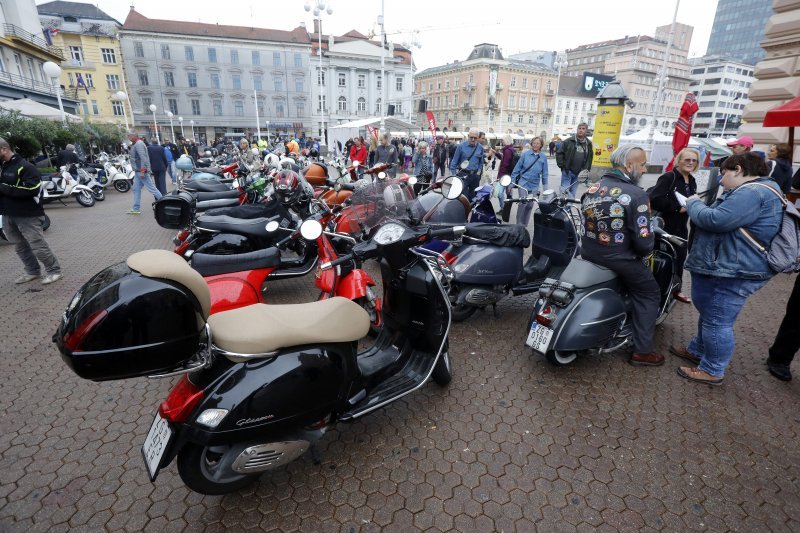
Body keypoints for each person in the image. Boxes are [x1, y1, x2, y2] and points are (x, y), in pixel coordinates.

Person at [673, 152, 782, 386]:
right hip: (728, 265)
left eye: (723, 174)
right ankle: (698, 349)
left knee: (717, 320)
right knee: (711, 313)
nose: (721, 180)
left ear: (739, 170)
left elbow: (715, 220)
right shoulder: (756, 190)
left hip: (733, 269)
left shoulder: (752, 193)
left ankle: (712, 369)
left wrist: (693, 204)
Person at [581, 145, 662, 367]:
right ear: (629, 165)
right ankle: (643, 351)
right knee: (649, 292)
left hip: (588, 253)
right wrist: (645, 248)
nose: (645, 170)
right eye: (643, 164)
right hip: (619, 258)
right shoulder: (637, 195)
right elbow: (645, 243)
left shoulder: (592, 188)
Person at [0, 137, 62, 285]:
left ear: (4, 149)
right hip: (8, 214)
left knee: (37, 245)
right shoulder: (4, 167)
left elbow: (32, 190)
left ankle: (54, 271)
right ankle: (32, 271)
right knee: (19, 246)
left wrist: (1, 186)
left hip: (28, 215)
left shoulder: (26, 166)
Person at [649, 147, 699, 304]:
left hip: (682, 227)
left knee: (680, 258)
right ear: (679, 161)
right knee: (663, 258)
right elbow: (655, 198)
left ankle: (675, 289)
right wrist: (677, 207)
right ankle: (656, 290)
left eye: (694, 160)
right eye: (687, 159)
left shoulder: (691, 180)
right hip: (664, 226)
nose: (690, 163)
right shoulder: (669, 177)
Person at [510, 136, 548, 227]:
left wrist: (545, 189)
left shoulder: (543, 157)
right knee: (523, 203)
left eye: (538, 143)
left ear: (541, 145)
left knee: (530, 205)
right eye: (534, 143)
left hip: (534, 185)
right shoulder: (525, 154)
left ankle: (524, 225)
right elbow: (516, 169)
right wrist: (511, 183)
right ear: (531, 144)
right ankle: (518, 225)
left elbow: (545, 173)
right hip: (523, 183)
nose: (535, 145)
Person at [127, 130, 162, 215]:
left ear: (133, 136)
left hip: (141, 171)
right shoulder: (137, 144)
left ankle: (166, 203)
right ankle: (136, 208)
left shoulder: (138, 144)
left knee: (152, 189)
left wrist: (143, 170)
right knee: (136, 189)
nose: (128, 137)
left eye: (128, 136)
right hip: (138, 171)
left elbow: (143, 158)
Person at [556, 123, 593, 199]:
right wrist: (562, 166)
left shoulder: (588, 143)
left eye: (583, 128)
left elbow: (590, 158)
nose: (581, 130)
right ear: (577, 129)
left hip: (579, 173)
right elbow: (559, 153)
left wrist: (587, 170)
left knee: (573, 192)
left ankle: (567, 209)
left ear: (586, 130)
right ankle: (563, 208)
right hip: (567, 171)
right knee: (565, 191)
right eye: (579, 128)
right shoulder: (568, 141)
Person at [449, 128, 485, 200]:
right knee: (464, 198)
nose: (473, 139)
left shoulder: (480, 148)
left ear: (478, 138)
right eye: (471, 137)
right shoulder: (461, 146)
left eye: (475, 138)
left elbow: (481, 162)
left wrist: (479, 172)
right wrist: (454, 176)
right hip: (463, 175)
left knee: (474, 198)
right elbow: (454, 163)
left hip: (475, 176)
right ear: (468, 136)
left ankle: (471, 211)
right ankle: (464, 211)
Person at [495, 135, 516, 213]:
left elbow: (505, 164)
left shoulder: (507, 151)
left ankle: (503, 209)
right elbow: (504, 159)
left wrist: (499, 177)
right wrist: (496, 154)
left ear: (506, 141)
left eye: (503, 140)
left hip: (505, 176)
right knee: (509, 193)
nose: (502, 142)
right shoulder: (511, 149)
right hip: (510, 175)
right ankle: (507, 210)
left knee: (499, 192)